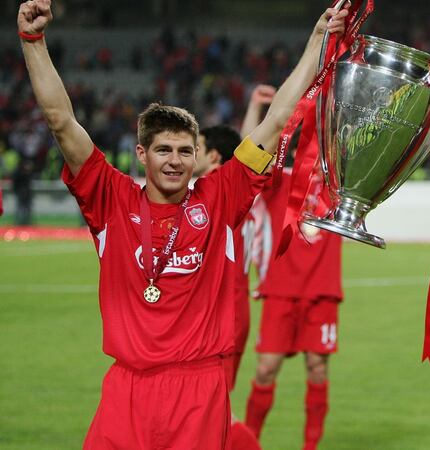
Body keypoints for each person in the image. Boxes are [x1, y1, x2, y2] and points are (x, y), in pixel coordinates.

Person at [18, 0, 348, 447]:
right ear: (141, 154)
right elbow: (61, 121)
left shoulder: (222, 195)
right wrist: (33, 42)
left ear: (198, 157)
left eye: (184, 151)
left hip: (198, 389)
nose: (174, 161)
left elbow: (276, 122)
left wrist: (316, 43)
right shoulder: (109, 198)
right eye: (163, 150)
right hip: (127, 388)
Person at [241, 93, 343, 450]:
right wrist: (256, 109)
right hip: (280, 289)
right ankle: (250, 443)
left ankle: (310, 447)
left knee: (318, 368)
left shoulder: (339, 186)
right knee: (266, 369)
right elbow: (249, 156)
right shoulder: (277, 182)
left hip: (322, 289)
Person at [191, 124, 262, 450]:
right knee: (206, 411)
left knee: (215, 412)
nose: (190, 154)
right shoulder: (232, 190)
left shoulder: (221, 196)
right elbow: (246, 147)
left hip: (223, 314)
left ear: (213, 156)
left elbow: (251, 146)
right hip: (229, 308)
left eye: (197, 147)